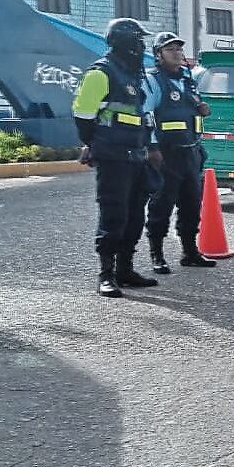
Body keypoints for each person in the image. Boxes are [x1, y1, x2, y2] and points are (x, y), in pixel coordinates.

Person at [73, 17, 161, 298]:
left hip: (136, 155)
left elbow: (140, 117)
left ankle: (126, 268)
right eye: (138, 39)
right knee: (114, 215)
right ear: (126, 42)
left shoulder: (134, 75)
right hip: (113, 157)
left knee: (135, 215)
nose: (141, 45)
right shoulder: (101, 73)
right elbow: (83, 116)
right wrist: (94, 143)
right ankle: (106, 273)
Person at [143, 31, 217, 274]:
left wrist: (202, 108)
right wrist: (152, 148)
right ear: (158, 55)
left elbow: (193, 109)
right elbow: (147, 116)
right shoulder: (153, 80)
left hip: (191, 152)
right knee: (161, 205)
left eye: (178, 49)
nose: (177, 53)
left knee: (192, 204)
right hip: (167, 154)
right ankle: (157, 254)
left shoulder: (187, 79)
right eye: (170, 49)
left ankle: (190, 252)